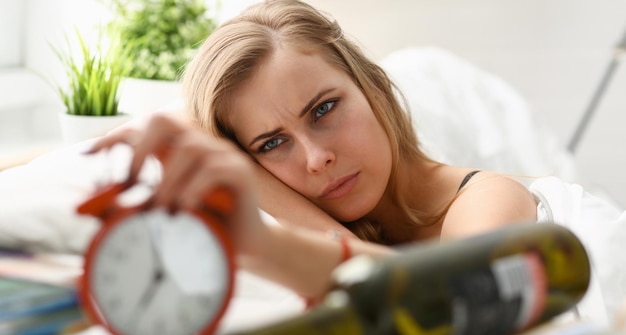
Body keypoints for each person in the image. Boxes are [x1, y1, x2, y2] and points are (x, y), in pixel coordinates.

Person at [87, 0, 545, 304]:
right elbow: (180, 126)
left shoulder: (490, 198)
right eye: (272, 143)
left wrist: (265, 241)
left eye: (324, 109)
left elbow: (454, 299)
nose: (314, 157)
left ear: (375, 89)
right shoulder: (318, 214)